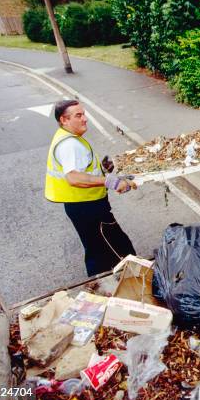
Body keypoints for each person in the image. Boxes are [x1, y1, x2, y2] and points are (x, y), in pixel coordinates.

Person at [45, 99, 137, 276]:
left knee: (97, 249)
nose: (85, 119)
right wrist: (113, 182)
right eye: (78, 115)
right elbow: (73, 177)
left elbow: (83, 169)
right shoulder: (69, 144)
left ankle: (104, 286)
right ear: (64, 120)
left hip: (82, 206)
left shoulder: (66, 137)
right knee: (119, 249)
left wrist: (105, 169)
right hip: (88, 207)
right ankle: (131, 283)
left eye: (84, 114)